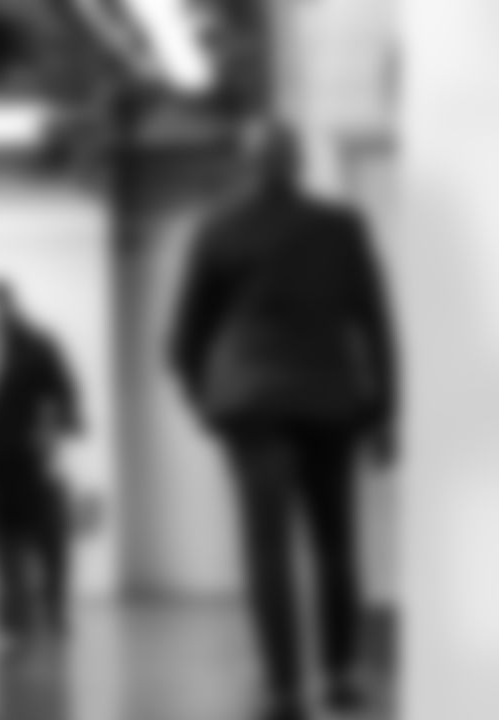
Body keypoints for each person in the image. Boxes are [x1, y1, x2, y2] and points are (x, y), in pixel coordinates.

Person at [169, 120, 399, 720]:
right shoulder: (341, 227)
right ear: (299, 162)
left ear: (247, 163)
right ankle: (341, 677)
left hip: (250, 404)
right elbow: (375, 323)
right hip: (329, 401)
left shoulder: (217, 227)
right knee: (335, 541)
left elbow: (182, 339)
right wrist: (384, 414)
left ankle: (284, 690)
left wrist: (204, 402)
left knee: (266, 547)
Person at [0, 280, 82, 647]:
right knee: (3, 537)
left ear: (10, 306)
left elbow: (66, 394)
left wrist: (55, 431)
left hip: (31, 452)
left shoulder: (37, 344)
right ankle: (13, 616)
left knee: (47, 532)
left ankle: (53, 608)